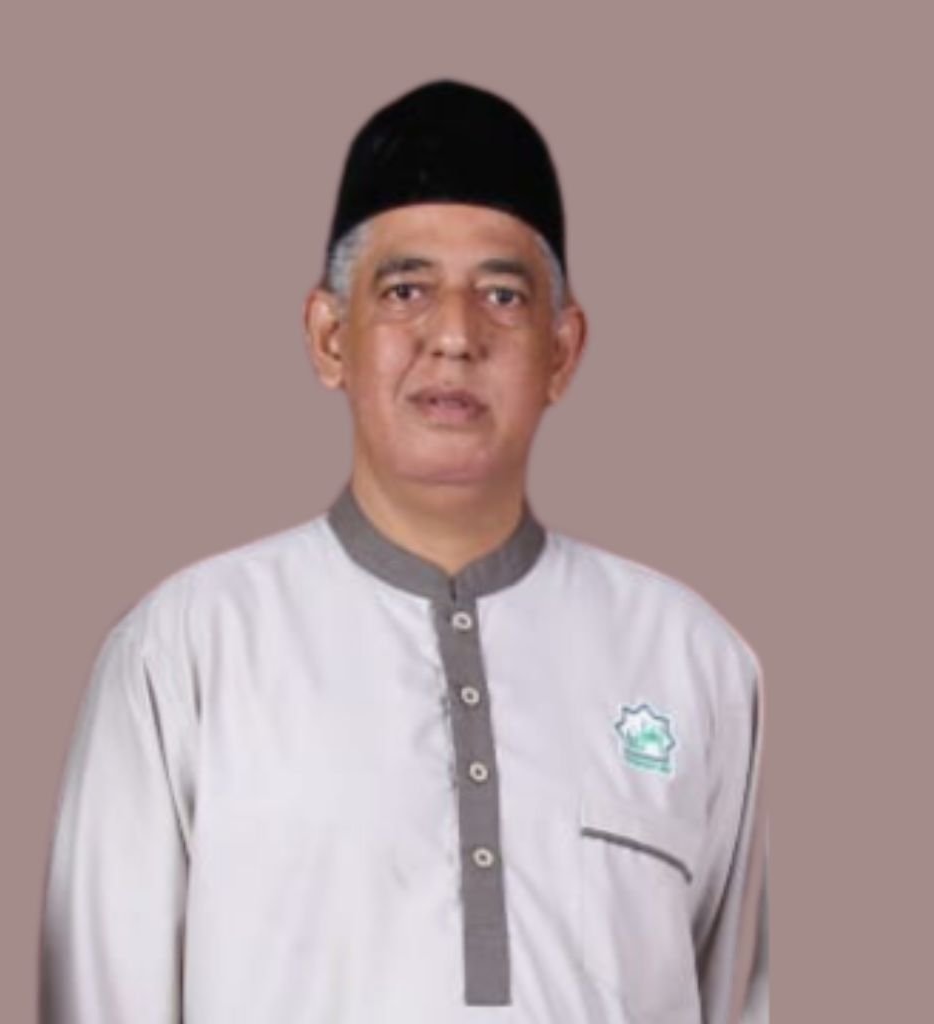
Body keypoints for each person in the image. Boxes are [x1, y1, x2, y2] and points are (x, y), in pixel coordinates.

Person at [39, 78, 768, 1023]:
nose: (455, 336)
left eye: (502, 294)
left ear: (562, 349)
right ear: (330, 336)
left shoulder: (691, 661)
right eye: (406, 290)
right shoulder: (185, 654)